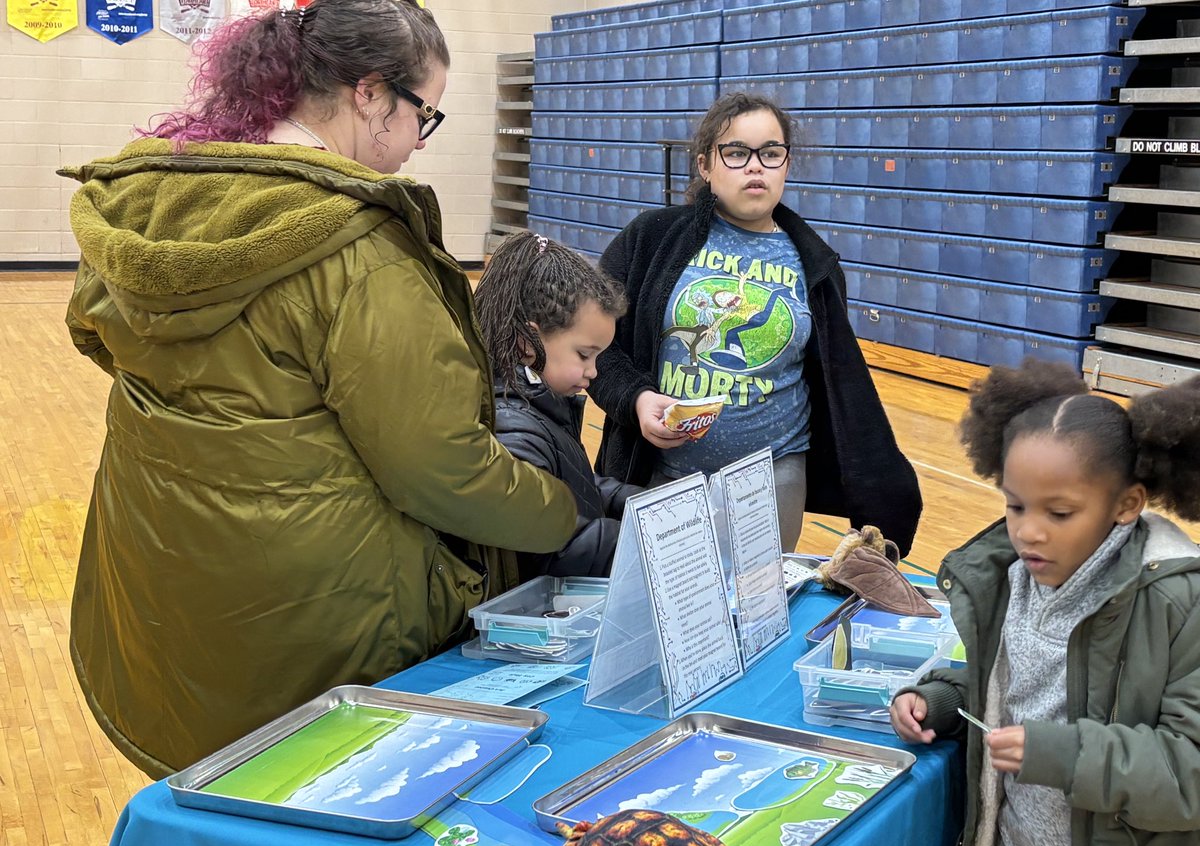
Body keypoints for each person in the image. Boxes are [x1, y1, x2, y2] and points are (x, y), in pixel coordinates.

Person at [58, 0, 576, 779]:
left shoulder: (154, 199)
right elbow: (439, 468)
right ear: (369, 95)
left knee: (211, 804)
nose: (414, 145)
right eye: (421, 115)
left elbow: (92, 331)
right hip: (313, 621)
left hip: (157, 587)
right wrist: (559, 511)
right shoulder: (360, 249)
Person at [890, 358, 1200, 846]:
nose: (1028, 531)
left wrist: (1060, 755)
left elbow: (1189, 772)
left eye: (1059, 513)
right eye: (1015, 505)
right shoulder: (1010, 581)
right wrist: (943, 699)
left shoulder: (1177, 603)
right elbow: (1019, 688)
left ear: (1127, 504)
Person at [589, 92, 922, 555]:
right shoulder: (651, 239)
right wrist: (637, 399)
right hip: (662, 471)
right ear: (705, 165)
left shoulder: (816, 265)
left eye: (770, 153)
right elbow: (593, 345)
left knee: (758, 616)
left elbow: (840, 390)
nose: (755, 167)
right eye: (736, 152)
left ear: (786, 163)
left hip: (774, 476)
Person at [474, 232, 637, 581]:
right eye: (584, 355)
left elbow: (575, 486)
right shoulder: (511, 429)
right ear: (527, 342)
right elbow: (549, 547)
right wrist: (646, 540)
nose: (593, 371)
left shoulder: (541, 404)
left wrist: (640, 503)